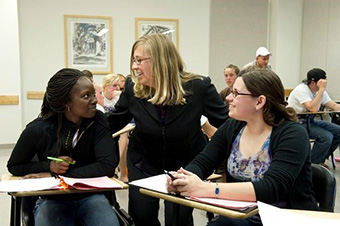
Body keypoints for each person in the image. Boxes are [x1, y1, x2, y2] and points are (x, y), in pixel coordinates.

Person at [168, 68, 317, 226]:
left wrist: (206, 189)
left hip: (285, 219)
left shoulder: (293, 135)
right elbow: (204, 161)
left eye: (236, 93)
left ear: (259, 102)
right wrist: (183, 179)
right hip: (242, 216)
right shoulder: (233, 126)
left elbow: (272, 188)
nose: (228, 98)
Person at [107, 33, 228, 226]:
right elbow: (112, 122)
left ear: (160, 61)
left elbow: (227, 123)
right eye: (133, 60)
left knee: (178, 220)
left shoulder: (198, 87)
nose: (133, 67)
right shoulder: (133, 87)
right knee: (141, 216)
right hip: (143, 163)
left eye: (139, 60)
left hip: (184, 165)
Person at [7, 68, 119, 226]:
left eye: (94, 94)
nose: (94, 100)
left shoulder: (98, 121)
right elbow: (14, 166)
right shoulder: (38, 129)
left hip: (90, 196)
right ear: (66, 102)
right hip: (52, 199)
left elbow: (107, 166)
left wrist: (58, 177)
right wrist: (49, 166)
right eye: (86, 96)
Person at [288, 68, 340, 166]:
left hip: (310, 121)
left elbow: (333, 105)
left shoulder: (320, 92)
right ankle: (312, 165)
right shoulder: (302, 90)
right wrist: (321, 90)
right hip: (296, 122)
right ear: (313, 82)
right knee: (326, 137)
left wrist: (321, 91)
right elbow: (313, 108)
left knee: (338, 131)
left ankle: (321, 158)